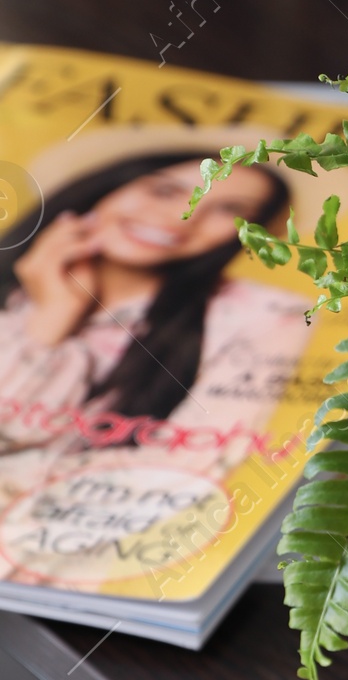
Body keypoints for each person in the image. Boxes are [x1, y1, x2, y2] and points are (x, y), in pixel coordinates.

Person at [0, 152, 309, 482]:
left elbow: (190, 471)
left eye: (229, 210)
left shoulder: (264, 316)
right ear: (108, 186)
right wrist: (53, 315)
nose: (182, 216)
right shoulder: (17, 297)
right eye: (164, 191)